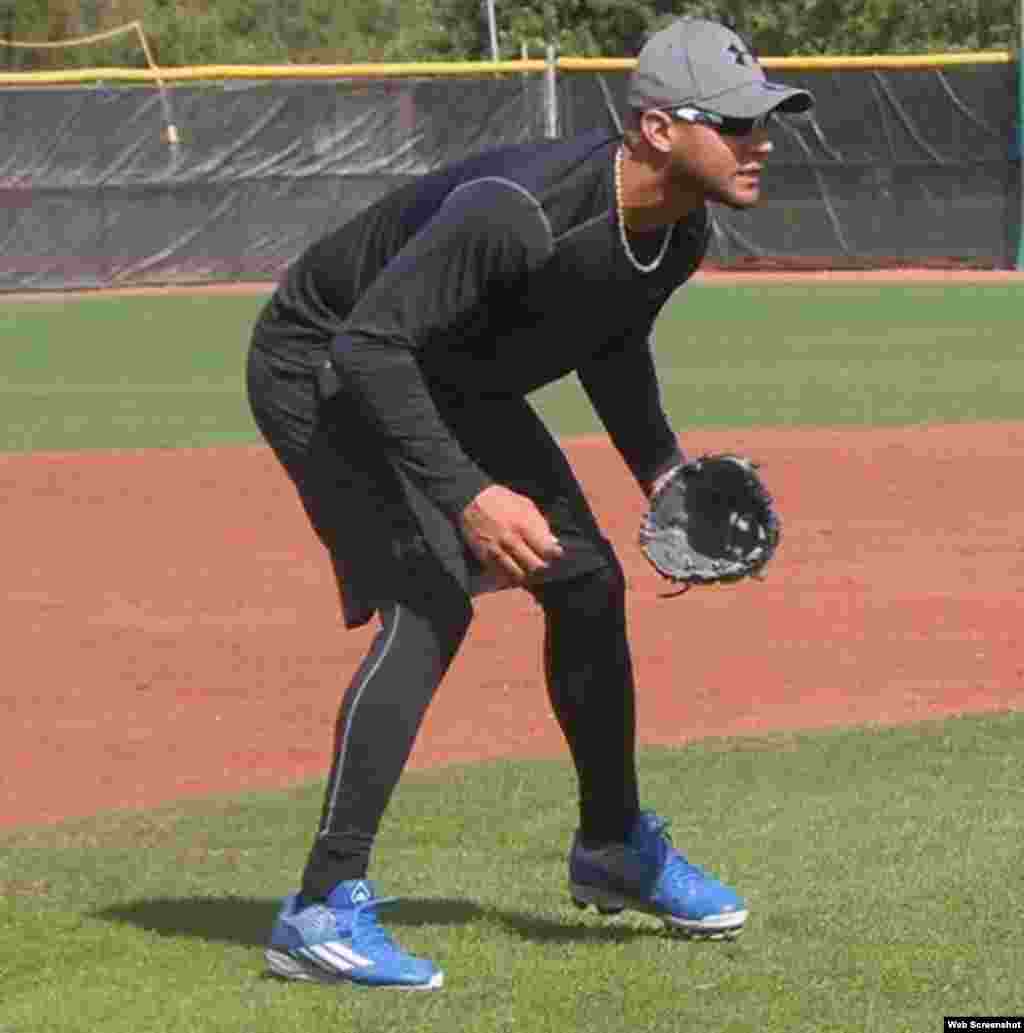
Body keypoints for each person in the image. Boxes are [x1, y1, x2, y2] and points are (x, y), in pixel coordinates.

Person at [248, 18, 813, 990]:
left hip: (443, 368)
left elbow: (607, 334)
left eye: (763, 121)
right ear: (657, 130)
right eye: (735, 122)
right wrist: (468, 498)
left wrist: (661, 471)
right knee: (429, 602)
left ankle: (611, 848)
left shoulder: (679, 231)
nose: (759, 140)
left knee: (586, 581)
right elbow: (367, 349)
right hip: (328, 358)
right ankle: (319, 906)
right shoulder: (516, 213)